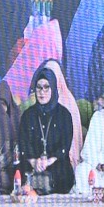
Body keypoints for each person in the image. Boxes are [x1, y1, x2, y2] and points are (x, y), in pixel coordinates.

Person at [17, 65, 75, 195]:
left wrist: (48, 161)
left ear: (53, 88)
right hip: (32, 165)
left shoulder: (64, 115)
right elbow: (23, 143)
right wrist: (34, 161)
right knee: (21, 172)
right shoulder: (28, 115)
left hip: (55, 164)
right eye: (39, 87)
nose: (42, 92)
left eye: (46, 87)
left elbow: (65, 145)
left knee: (62, 171)